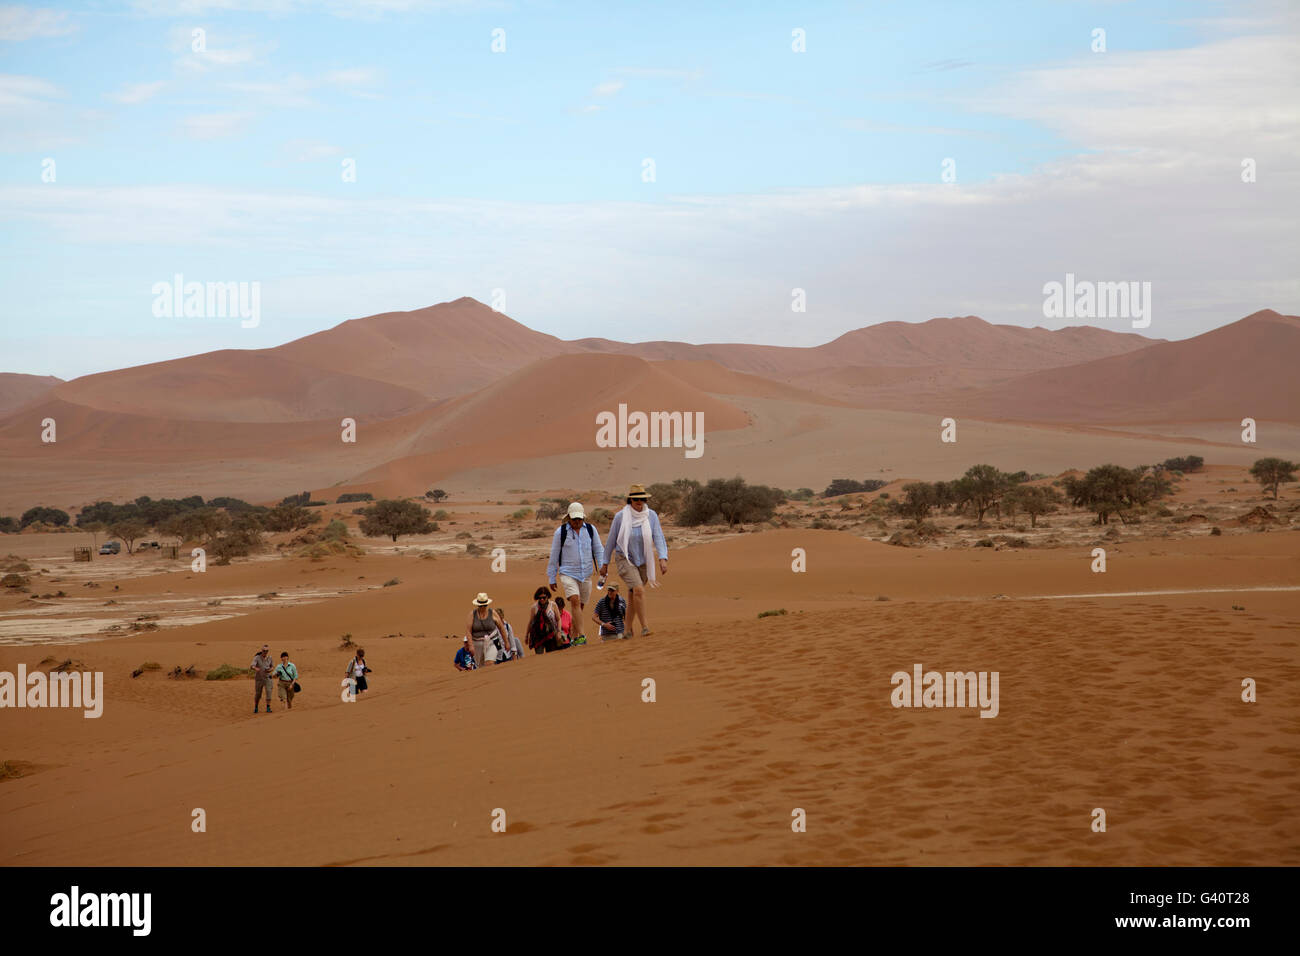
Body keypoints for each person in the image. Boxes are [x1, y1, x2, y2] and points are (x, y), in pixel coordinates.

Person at [599, 483, 668, 637]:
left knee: (633, 595)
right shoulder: (620, 517)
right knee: (638, 590)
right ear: (630, 500)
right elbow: (611, 541)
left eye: (642, 498)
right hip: (624, 558)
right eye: (636, 498)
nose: (639, 501)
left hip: (643, 560)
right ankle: (645, 628)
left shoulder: (651, 516)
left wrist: (663, 558)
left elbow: (658, 537)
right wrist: (604, 563)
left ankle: (627, 630)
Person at [547, 501, 604, 646]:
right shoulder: (561, 533)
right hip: (568, 573)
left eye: (579, 519)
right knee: (575, 600)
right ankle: (582, 637)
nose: (577, 522)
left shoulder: (591, 530)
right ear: (569, 518)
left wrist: (604, 567)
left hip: (586, 574)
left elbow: (598, 549)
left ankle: (574, 634)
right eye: (574, 519)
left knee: (580, 606)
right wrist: (552, 576)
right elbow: (554, 555)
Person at [465, 592, 503, 666]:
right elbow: (468, 631)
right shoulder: (472, 615)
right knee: (480, 666)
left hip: (492, 642)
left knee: (489, 663)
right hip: (477, 644)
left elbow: (501, 628)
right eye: (481, 606)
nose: (483, 607)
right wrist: (471, 645)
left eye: (484, 605)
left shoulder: (493, 613)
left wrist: (507, 642)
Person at [525, 586, 566, 653]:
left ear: (547, 596)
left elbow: (558, 619)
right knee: (539, 656)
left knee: (552, 655)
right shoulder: (534, 607)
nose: (542, 599)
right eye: (540, 598)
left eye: (544, 597)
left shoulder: (553, 605)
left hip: (551, 635)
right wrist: (527, 635)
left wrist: (559, 632)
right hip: (538, 636)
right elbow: (531, 622)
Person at [251, 643, 275, 713]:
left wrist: (270, 670)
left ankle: (268, 707)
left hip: (267, 678)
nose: (265, 652)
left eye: (267, 651)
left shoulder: (270, 658)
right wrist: (255, 668)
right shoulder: (257, 657)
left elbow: (272, 667)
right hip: (259, 679)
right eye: (264, 650)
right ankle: (256, 707)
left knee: (269, 692)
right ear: (262, 650)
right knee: (258, 694)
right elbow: (252, 665)